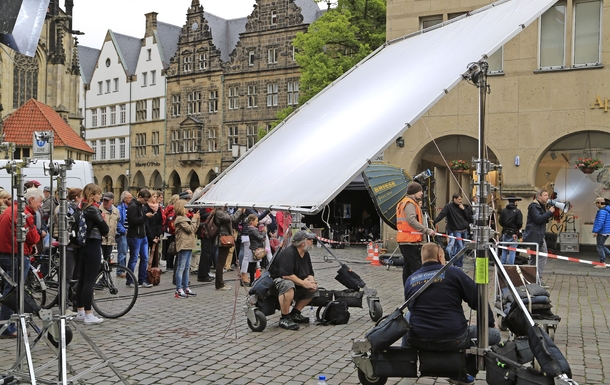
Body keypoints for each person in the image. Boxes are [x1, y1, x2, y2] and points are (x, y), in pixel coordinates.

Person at [403, 243, 501, 385]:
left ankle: (406, 359)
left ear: (422, 258)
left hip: (418, 338)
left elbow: (411, 308)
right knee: (495, 336)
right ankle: (462, 373)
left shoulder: (411, 279)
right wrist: (489, 324)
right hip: (454, 338)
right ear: (440, 256)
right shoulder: (454, 272)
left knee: (407, 316)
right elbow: (478, 300)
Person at [0, 188, 42, 338]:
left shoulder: (10, 210)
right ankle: (7, 327)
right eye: (39, 201)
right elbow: (33, 238)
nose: (40, 205)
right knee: (12, 292)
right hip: (17, 255)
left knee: (9, 289)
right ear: (31, 200)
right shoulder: (25, 214)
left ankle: (8, 324)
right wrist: (38, 236)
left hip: (4, 254)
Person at [74, 183, 109, 325]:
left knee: (82, 280)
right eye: (99, 193)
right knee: (89, 281)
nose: (101, 196)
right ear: (92, 195)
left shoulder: (81, 207)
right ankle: (89, 314)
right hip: (92, 246)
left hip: (81, 247)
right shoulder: (93, 210)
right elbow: (105, 229)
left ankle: (80, 311)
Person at [268, 230, 317, 331]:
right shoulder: (289, 254)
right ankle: (284, 318)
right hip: (278, 280)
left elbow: (310, 272)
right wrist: (304, 283)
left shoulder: (305, 254)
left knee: (314, 289)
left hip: (294, 278)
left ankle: (295, 313)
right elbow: (286, 275)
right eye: (309, 239)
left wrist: (311, 282)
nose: (312, 241)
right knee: (288, 285)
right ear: (302, 243)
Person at [396, 182, 436, 286]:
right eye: (420, 191)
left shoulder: (405, 202)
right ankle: (416, 290)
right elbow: (411, 221)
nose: (422, 193)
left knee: (408, 267)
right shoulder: (410, 204)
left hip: (406, 240)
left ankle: (409, 290)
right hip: (410, 241)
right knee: (416, 267)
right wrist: (427, 230)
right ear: (414, 192)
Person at [523, 189, 555, 283]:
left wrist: (548, 214)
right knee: (542, 256)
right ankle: (537, 279)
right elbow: (538, 219)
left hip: (537, 234)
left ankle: (531, 278)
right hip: (536, 235)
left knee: (534, 258)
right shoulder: (534, 206)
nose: (547, 197)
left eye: (547, 195)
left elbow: (541, 219)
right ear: (539, 196)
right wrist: (549, 212)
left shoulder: (539, 206)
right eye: (545, 195)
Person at [433, 193, 473, 268]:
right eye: (459, 199)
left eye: (461, 199)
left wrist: (464, 210)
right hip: (456, 230)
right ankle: (457, 264)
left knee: (462, 248)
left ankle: (458, 263)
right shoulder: (449, 207)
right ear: (454, 199)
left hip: (464, 230)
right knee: (460, 247)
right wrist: (435, 221)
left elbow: (469, 218)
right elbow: (442, 214)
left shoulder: (463, 207)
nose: (460, 201)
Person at [126, 188, 153, 288]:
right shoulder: (133, 206)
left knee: (144, 258)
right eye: (145, 200)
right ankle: (130, 280)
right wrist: (145, 216)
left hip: (143, 235)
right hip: (135, 236)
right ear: (140, 197)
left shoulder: (141, 206)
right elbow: (133, 221)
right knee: (133, 258)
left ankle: (142, 280)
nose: (146, 202)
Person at [213, 205, 244, 290]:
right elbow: (232, 218)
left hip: (226, 237)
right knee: (221, 263)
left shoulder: (223, 212)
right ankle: (219, 284)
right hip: (223, 238)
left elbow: (235, 221)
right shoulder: (219, 213)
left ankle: (221, 283)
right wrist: (239, 210)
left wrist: (241, 213)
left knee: (222, 262)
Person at [173, 200, 200, 298]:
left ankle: (186, 287)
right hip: (183, 245)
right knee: (181, 267)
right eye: (186, 207)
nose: (188, 209)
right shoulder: (180, 219)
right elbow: (190, 229)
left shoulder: (185, 218)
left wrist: (197, 219)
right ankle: (179, 289)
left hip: (188, 245)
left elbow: (194, 229)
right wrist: (194, 219)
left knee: (187, 267)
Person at [499, 197, 523, 265]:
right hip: (514, 233)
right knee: (512, 251)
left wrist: (505, 226)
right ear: (515, 202)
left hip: (505, 232)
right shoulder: (517, 211)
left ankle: (502, 265)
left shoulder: (504, 211)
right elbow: (519, 223)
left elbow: (500, 221)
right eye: (517, 201)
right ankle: (510, 266)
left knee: (504, 250)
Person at [115, 191, 131, 278]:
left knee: (125, 252)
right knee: (122, 252)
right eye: (130, 198)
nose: (131, 199)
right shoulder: (120, 208)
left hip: (130, 233)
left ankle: (124, 269)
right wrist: (124, 231)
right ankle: (120, 270)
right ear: (125, 199)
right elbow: (118, 222)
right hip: (123, 233)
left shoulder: (130, 207)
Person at [100, 192, 120, 263]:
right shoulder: (98, 209)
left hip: (110, 240)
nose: (105, 202)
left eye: (107, 201)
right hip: (101, 240)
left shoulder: (116, 211)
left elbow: (118, 222)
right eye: (104, 200)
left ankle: (106, 273)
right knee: (100, 261)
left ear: (112, 201)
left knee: (108, 260)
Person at [592, 197, 610, 268]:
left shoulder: (602, 211)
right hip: (606, 231)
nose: (596, 205)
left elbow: (600, 222)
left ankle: (602, 263)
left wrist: (596, 231)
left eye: (596, 203)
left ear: (599, 203)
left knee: (599, 246)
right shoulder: (607, 209)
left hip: (603, 231)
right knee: (601, 245)